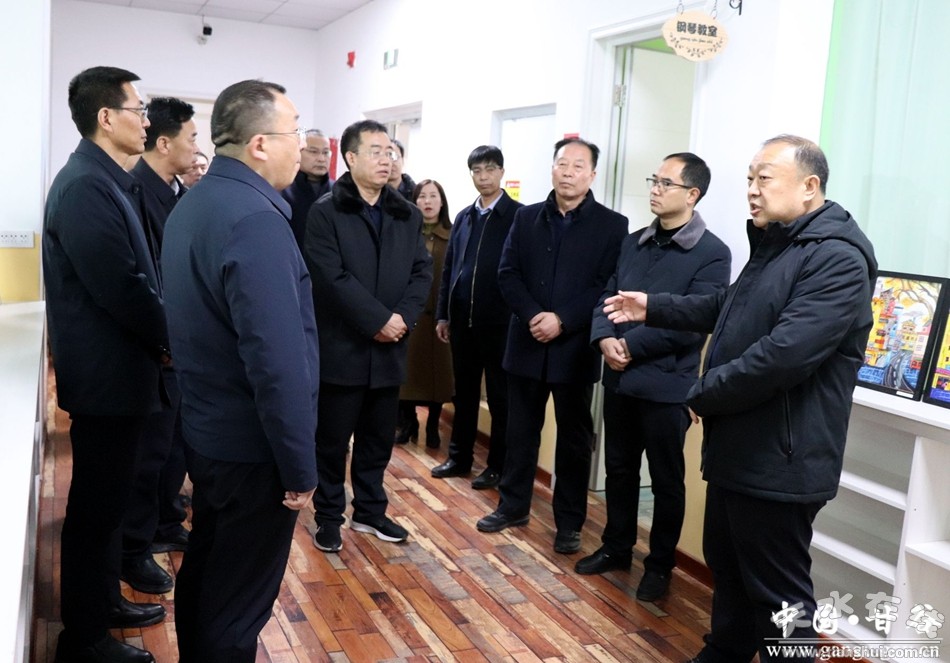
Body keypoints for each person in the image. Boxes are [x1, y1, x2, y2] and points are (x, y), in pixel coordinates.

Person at [604, 135, 877, 662]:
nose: (751, 189)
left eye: (764, 178)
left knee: (780, 600)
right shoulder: (780, 244)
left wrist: (700, 393)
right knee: (728, 569)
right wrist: (653, 306)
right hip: (742, 447)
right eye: (749, 178)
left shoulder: (837, 259)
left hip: (782, 457)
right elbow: (728, 307)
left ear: (809, 186)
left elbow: (783, 356)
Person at [161, 80, 318, 662]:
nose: (301, 145)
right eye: (294, 131)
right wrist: (300, 465)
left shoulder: (196, 202)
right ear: (259, 143)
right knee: (238, 604)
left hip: (207, 431)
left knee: (210, 572)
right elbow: (276, 360)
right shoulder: (255, 219)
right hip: (254, 449)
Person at [44, 65, 166, 663]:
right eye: (138, 110)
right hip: (105, 381)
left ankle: (103, 603)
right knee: (95, 512)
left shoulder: (107, 179)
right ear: (106, 117)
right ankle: (85, 639)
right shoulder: (85, 186)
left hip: (121, 376)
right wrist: (172, 339)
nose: (146, 121)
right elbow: (121, 286)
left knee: (111, 505)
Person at [578, 153, 731, 603]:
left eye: (666, 183)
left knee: (665, 482)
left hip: (666, 387)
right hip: (619, 379)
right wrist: (604, 339)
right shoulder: (634, 242)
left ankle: (660, 565)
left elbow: (694, 322)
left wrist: (631, 347)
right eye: (654, 180)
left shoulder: (712, 252)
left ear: (692, 194)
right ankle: (616, 547)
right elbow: (607, 297)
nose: (655, 189)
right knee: (619, 470)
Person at [476, 138, 627, 555]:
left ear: (592, 175)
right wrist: (533, 316)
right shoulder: (525, 218)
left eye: (578, 166)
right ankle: (512, 506)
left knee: (574, 441)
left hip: (575, 349)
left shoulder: (613, 225)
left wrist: (562, 319)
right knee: (519, 432)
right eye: (562, 163)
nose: (568, 172)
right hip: (526, 341)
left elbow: (606, 286)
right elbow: (507, 273)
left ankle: (569, 523)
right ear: (552, 168)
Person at [304, 119, 432, 553]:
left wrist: (403, 319)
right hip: (343, 347)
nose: (385, 159)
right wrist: (378, 319)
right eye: (375, 151)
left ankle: (371, 512)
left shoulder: (406, 213)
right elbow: (330, 278)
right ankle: (328, 516)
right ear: (351, 157)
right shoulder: (326, 211)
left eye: (389, 152)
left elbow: (421, 272)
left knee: (378, 439)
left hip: (391, 348)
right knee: (332, 441)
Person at [122, 96, 198, 597]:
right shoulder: (134, 191)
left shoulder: (176, 192)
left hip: (179, 340)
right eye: (192, 137)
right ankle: (135, 546)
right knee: (147, 455)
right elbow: (141, 279)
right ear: (165, 143)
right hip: (155, 345)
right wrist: (167, 336)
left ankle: (165, 522)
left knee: (174, 447)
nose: (197, 147)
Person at [431, 145, 523, 489]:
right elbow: (450, 269)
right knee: (464, 394)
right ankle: (459, 457)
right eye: (477, 171)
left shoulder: (518, 216)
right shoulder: (464, 217)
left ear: (501, 172)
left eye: (490, 169)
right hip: (462, 321)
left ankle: (497, 466)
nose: (483, 177)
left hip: (500, 324)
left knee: (500, 398)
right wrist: (443, 314)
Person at [395, 179, 454, 448]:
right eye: (422, 196)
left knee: (439, 376)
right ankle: (409, 423)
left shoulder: (453, 235)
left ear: (442, 202)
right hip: (412, 317)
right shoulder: (406, 233)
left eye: (433, 196)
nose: (427, 202)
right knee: (408, 374)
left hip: (441, 319)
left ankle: (432, 426)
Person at [282, 128, 334, 252]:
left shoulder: (338, 191)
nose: (321, 159)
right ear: (299, 151)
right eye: (313, 152)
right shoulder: (283, 188)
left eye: (326, 152)